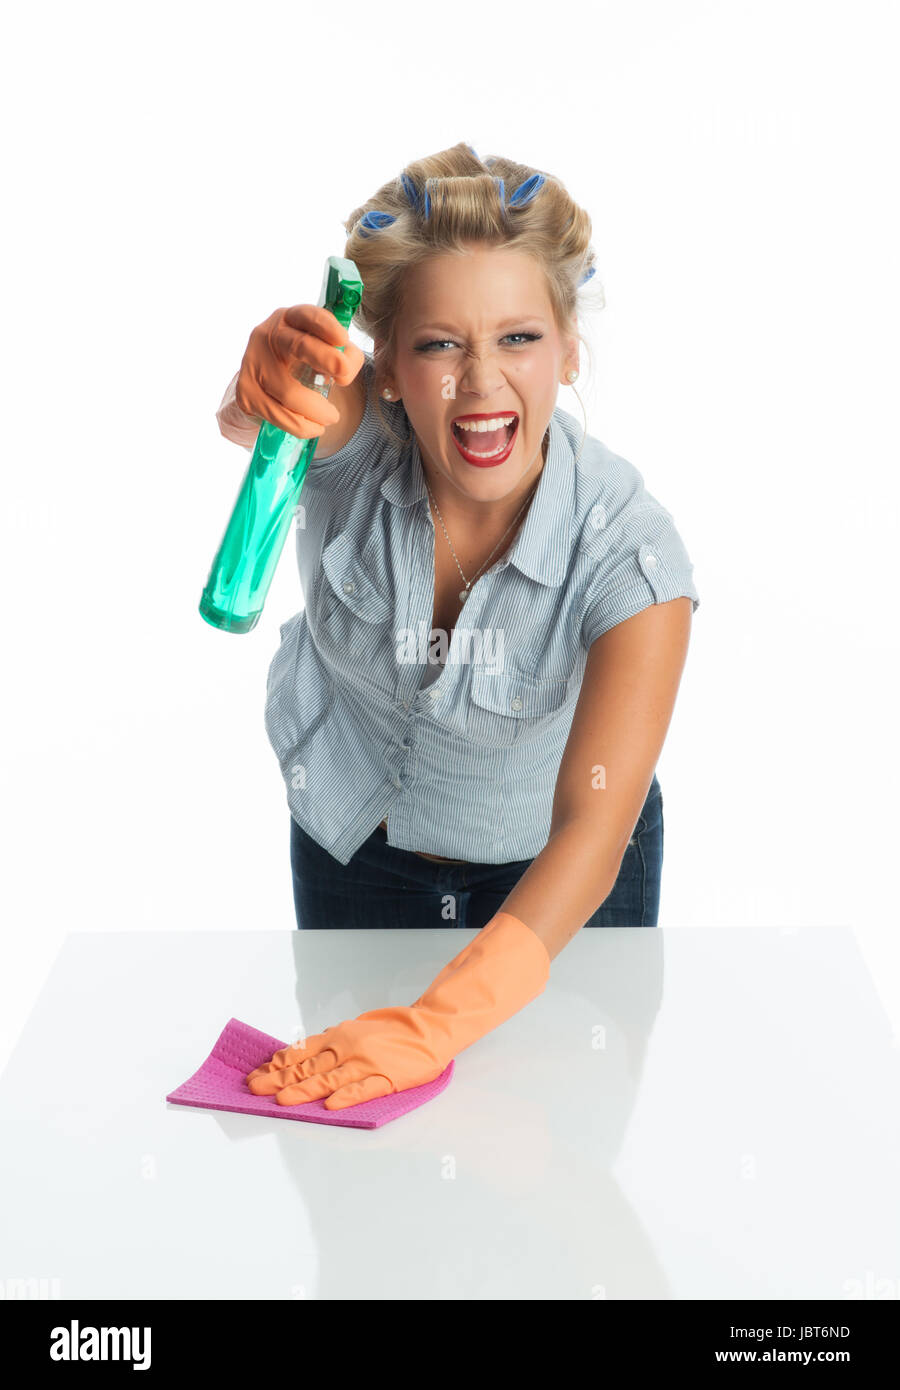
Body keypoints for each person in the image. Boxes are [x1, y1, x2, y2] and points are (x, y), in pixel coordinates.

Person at [215, 142, 700, 1109]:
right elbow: (272, 414)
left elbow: (593, 831)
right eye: (439, 345)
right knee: (350, 1128)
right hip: (357, 847)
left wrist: (435, 1026)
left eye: (519, 338)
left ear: (568, 350)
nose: (481, 381)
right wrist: (258, 382)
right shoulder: (360, 446)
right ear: (389, 366)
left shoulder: (631, 556)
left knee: (555, 1147)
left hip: (557, 871)